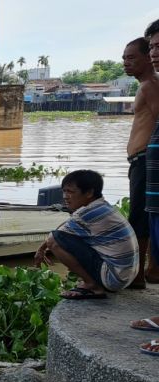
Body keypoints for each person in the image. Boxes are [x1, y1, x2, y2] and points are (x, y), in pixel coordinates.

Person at [34, 170, 138, 300]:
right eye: (64, 191)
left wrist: (44, 247)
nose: (65, 196)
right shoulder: (101, 206)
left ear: (89, 193)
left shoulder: (88, 213)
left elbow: (54, 238)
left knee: (55, 241)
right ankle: (93, 282)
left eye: (71, 192)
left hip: (113, 278)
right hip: (123, 276)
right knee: (59, 237)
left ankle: (92, 286)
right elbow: (65, 226)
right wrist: (42, 248)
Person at [123, 37, 159, 288]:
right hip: (141, 160)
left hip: (147, 160)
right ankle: (151, 269)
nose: (126, 63)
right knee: (146, 214)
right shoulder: (146, 85)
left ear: (149, 57)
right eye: (124, 58)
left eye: (131, 57)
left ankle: (138, 275)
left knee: (139, 216)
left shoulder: (150, 85)